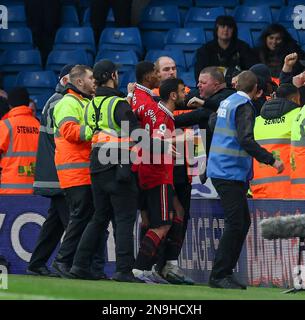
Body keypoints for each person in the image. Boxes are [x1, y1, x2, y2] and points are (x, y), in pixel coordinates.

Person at [206, 71, 284, 289]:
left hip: (224, 170)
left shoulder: (227, 102)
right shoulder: (244, 106)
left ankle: (224, 273)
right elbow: (245, 139)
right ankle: (220, 275)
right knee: (237, 222)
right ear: (257, 91)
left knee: (241, 222)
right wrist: (271, 160)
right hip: (228, 172)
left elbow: (213, 124)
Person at [69, 60, 142, 282]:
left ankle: (79, 265)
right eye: (117, 73)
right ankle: (123, 270)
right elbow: (135, 134)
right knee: (124, 218)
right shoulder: (117, 103)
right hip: (117, 164)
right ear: (112, 76)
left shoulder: (90, 104)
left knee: (99, 218)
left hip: (96, 166)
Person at [52, 65, 106, 279]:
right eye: (91, 77)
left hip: (86, 171)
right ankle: (62, 261)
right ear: (79, 81)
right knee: (81, 218)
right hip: (75, 172)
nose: (95, 81)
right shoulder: (68, 103)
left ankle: (85, 266)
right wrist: (97, 131)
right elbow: (69, 131)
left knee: (89, 219)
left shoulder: (85, 102)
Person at [132, 78, 188, 283]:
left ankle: (156, 266)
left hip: (148, 172)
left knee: (168, 216)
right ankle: (140, 269)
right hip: (157, 175)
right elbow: (154, 143)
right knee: (162, 225)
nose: (185, 95)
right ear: (173, 95)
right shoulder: (163, 118)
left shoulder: (156, 112)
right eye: (182, 91)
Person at [27, 65, 74, 277]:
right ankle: (74, 265)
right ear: (66, 81)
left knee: (55, 224)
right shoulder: (61, 102)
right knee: (75, 223)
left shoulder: (53, 100)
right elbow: (66, 141)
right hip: (61, 173)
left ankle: (37, 263)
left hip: (54, 173)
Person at [252, 84, 301, 199]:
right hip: (291, 193)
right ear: (294, 99)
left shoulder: (256, 121)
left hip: (260, 194)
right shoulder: (299, 116)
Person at [194, 15, 257, 86]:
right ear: (216, 29)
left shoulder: (243, 48)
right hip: (213, 88)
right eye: (222, 26)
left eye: (229, 27)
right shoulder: (205, 50)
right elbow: (200, 74)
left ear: (234, 30)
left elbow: (250, 71)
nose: (226, 30)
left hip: (237, 87)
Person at [0, 87, 40, 194]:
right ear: (27, 103)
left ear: (10, 104)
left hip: (9, 189)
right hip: (36, 190)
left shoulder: (4, 125)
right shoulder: (39, 126)